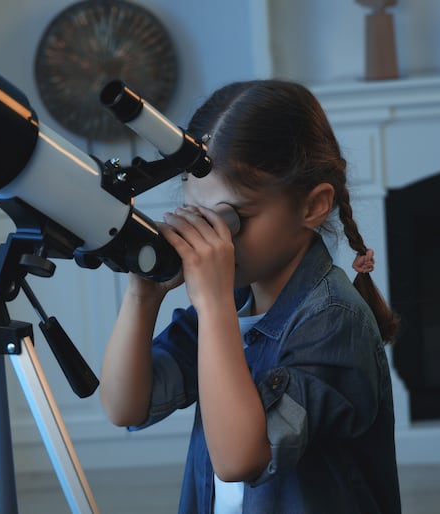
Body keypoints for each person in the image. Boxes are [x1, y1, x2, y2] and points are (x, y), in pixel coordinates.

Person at [99, 79, 401, 513]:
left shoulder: (334, 319)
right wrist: (142, 297)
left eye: (233, 218)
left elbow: (240, 458)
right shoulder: (230, 302)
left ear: (313, 206)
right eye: (196, 215)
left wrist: (214, 305)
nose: (213, 240)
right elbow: (126, 407)